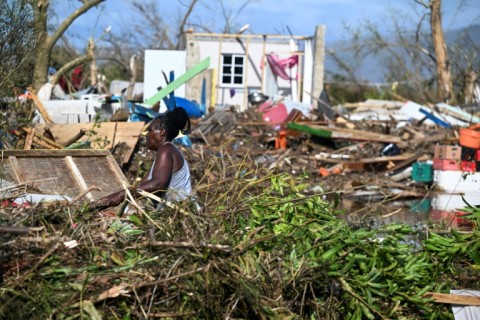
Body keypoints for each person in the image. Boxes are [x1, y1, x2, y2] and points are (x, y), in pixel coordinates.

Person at [95, 107, 192, 209]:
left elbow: (157, 183)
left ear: (162, 132)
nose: (146, 135)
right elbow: (143, 187)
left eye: (150, 130)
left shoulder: (166, 150)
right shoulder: (164, 154)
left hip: (179, 212)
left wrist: (120, 195)